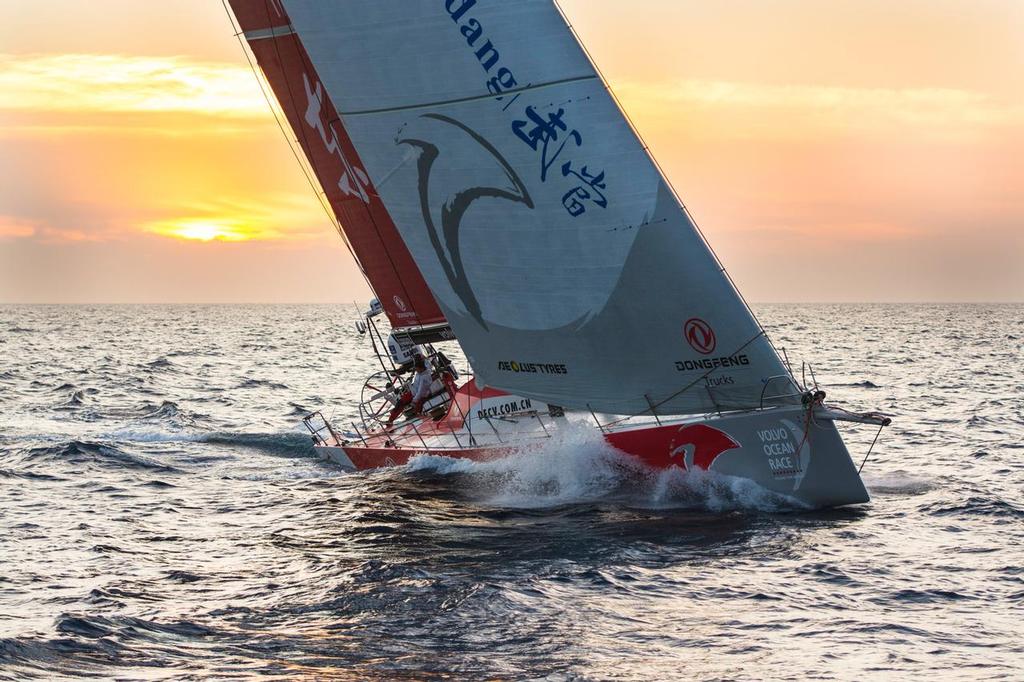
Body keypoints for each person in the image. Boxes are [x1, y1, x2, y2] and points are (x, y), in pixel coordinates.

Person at [385, 355, 433, 428]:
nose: (416, 370)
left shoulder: (424, 378)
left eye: (417, 369)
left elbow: (421, 391)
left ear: (420, 368)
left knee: (416, 410)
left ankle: (419, 422)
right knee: (400, 403)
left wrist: (414, 401)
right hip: (413, 392)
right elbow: (428, 363)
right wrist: (424, 358)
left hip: (419, 396)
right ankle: (390, 420)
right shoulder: (426, 369)